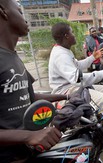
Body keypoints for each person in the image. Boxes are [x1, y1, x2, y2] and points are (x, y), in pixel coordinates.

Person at [0, 1, 66, 162]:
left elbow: (31, 97)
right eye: (20, 12)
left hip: (27, 152)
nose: (26, 19)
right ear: (3, 12)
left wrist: (67, 98)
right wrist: (29, 136)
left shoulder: (14, 57)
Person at [49, 23, 103, 110]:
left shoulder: (65, 51)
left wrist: (93, 57)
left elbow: (78, 65)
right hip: (66, 92)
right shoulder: (60, 55)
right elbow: (78, 79)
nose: (74, 35)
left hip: (73, 87)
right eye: (72, 32)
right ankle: (97, 122)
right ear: (66, 36)